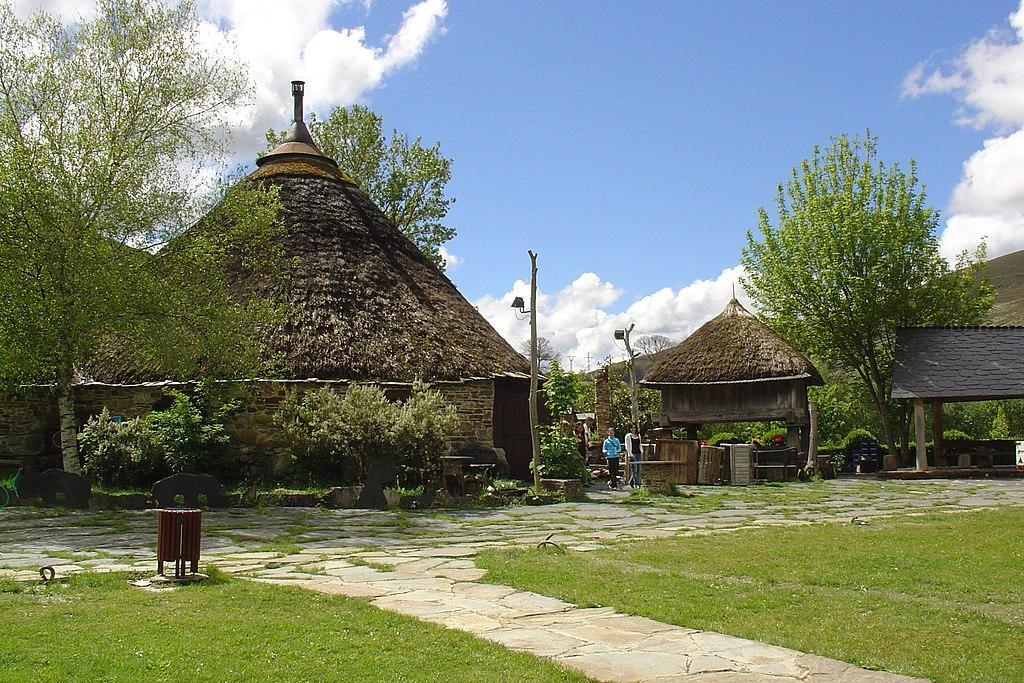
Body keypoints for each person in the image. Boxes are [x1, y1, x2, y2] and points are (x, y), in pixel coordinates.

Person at [624, 423, 642, 487]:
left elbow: (640, 444)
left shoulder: (638, 435)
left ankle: (631, 481)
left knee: (639, 468)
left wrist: (641, 451)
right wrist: (630, 454)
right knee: (635, 468)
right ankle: (637, 483)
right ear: (630, 428)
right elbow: (627, 446)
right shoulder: (628, 436)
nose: (633, 429)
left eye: (634, 427)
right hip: (632, 454)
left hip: (638, 453)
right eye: (632, 428)